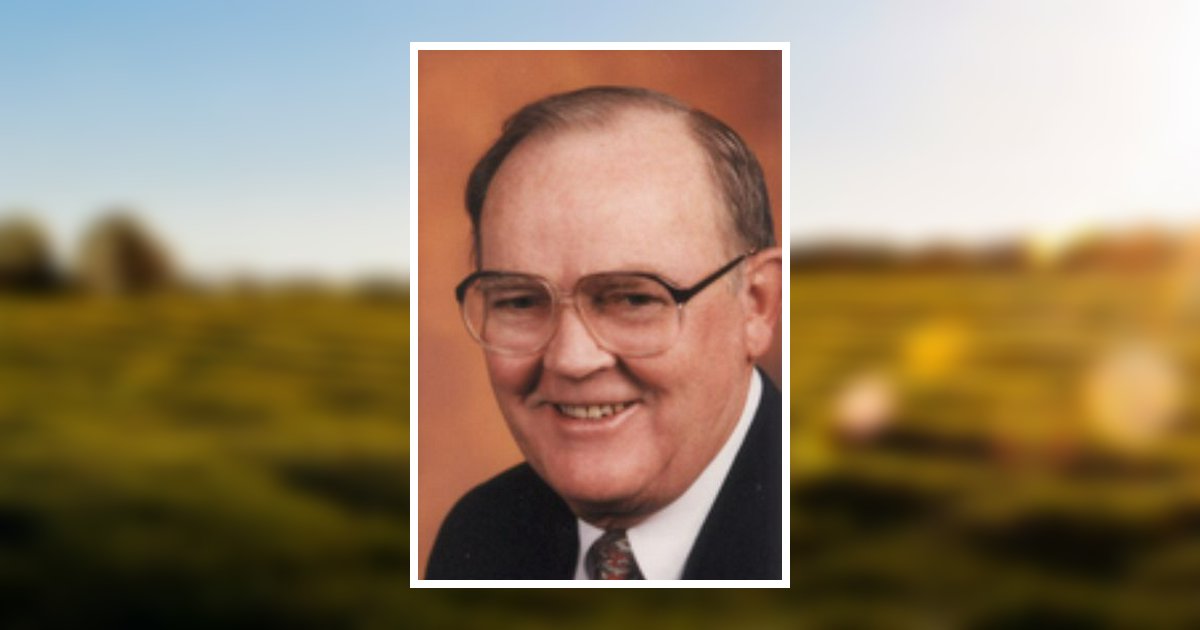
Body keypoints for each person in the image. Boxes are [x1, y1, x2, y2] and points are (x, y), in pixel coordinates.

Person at [425, 86, 783, 580]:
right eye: (520, 301)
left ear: (756, 305)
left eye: (633, 299)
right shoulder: (480, 534)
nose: (570, 359)